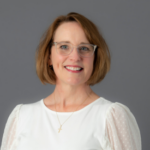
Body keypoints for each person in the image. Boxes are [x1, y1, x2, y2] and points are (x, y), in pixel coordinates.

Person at [1, 12, 141, 150]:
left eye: (84, 48)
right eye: (64, 47)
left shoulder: (111, 117)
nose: (75, 57)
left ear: (95, 58)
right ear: (49, 56)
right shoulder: (21, 117)